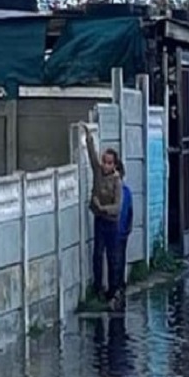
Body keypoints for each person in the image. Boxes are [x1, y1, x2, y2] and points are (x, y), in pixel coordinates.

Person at [81, 123, 123, 306]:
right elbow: (91, 156)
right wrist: (89, 137)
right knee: (98, 254)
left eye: (109, 163)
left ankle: (113, 290)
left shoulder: (117, 181)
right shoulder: (98, 172)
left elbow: (117, 207)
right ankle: (99, 288)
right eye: (104, 161)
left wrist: (102, 207)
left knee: (112, 256)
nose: (105, 165)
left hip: (111, 222)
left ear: (114, 165)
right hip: (99, 221)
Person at [112, 162, 134, 311]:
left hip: (122, 231)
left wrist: (128, 228)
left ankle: (119, 286)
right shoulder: (112, 192)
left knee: (120, 259)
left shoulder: (126, 191)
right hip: (113, 230)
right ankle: (116, 287)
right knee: (115, 260)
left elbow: (130, 211)